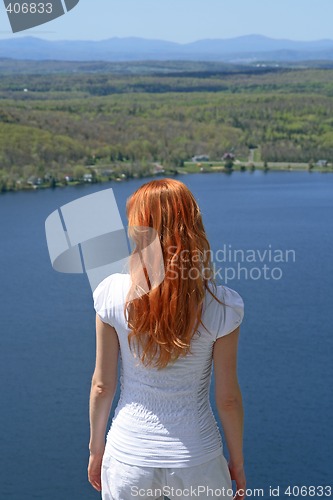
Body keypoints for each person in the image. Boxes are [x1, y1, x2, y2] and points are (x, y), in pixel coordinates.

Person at [88, 179, 246, 500]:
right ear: (193, 225)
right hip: (197, 458)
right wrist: (237, 463)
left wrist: (96, 448)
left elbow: (102, 386)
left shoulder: (111, 294)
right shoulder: (223, 305)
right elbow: (228, 398)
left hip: (129, 455)